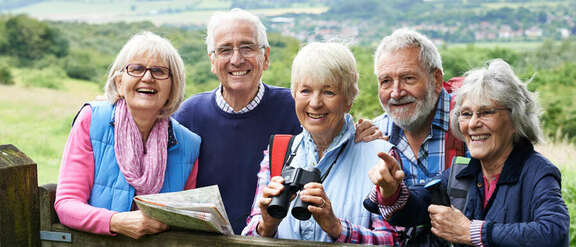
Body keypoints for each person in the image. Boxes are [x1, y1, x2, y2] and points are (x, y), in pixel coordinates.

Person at [173, 8, 379, 234]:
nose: (236, 59)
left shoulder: (297, 108)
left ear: (266, 57)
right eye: (224, 50)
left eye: (247, 47)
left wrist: (365, 134)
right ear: (212, 61)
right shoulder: (189, 115)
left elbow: (336, 126)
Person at [370, 59, 570, 246]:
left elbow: (553, 232)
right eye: (466, 114)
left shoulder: (537, 171)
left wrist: (472, 232)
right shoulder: (463, 172)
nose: (473, 124)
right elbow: (418, 208)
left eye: (486, 112)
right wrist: (390, 190)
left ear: (515, 119)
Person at [241, 42, 399, 245]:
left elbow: (393, 240)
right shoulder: (278, 152)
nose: (315, 103)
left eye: (329, 92)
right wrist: (266, 225)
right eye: (305, 91)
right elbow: (248, 237)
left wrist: (336, 227)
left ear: (349, 99)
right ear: (294, 94)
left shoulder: (380, 156)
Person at [55, 32, 200, 239]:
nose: (148, 78)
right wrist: (117, 222)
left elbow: (186, 221)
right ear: (120, 82)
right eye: (137, 69)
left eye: (159, 71)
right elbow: (66, 204)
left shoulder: (189, 144)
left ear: (172, 86)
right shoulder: (92, 120)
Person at [372, 29, 466, 187]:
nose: (396, 93)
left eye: (408, 78)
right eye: (386, 81)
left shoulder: (470, 126)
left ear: (436, 80)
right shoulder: (373, 137)